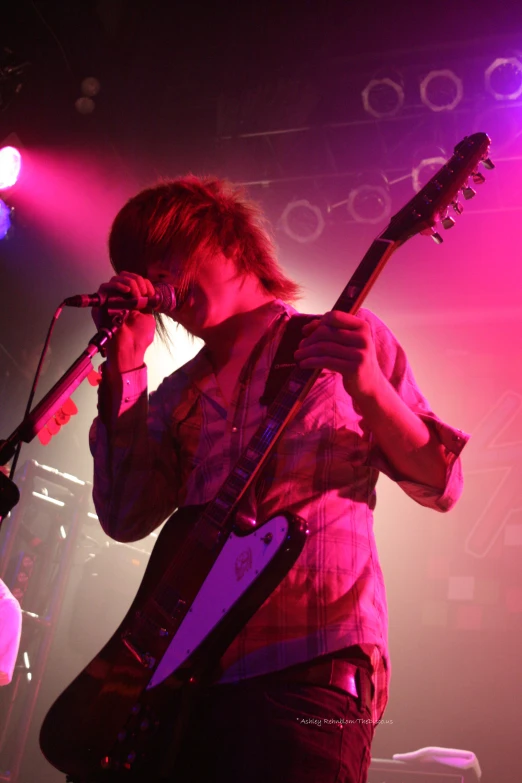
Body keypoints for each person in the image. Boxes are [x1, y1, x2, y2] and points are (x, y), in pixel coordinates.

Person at [89, 175, 468, 783]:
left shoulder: (344, 340)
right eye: (142, 267)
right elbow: (126, 517)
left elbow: (442, 485)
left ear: (233, 247)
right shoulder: (173, 397)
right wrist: (126, 362)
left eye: (169, 254)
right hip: (187, 683)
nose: (158, 278)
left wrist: (370, 390)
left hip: (313, 667)